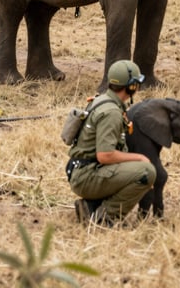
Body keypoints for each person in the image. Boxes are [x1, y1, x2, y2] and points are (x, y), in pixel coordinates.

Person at [66, 60, 156, 227]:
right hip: (87, 176)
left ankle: (90, 207)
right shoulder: (111, 112)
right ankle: (104, 218)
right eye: (136, 84)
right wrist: (139, 158)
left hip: (83, 170)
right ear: (130, 87)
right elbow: (105, 155)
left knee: (137, 169)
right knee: (146, 172)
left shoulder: (103, 101)